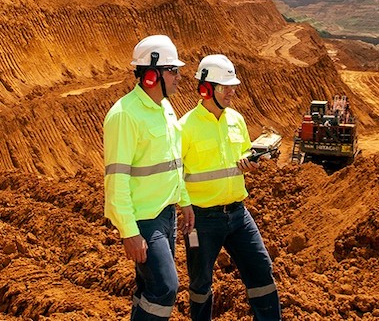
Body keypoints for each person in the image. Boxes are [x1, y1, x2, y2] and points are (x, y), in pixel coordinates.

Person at [180, 54, 281, 320]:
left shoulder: (237, 119)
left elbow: (244, 155)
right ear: (206, 89)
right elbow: (174, 174)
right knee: (200, 284)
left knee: (261, 269)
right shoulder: (184, 128)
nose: (232, 92)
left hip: (238, 214)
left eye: (233, 86)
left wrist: (253, 163)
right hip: (202, 219)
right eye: (225, 87)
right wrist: (184, 207)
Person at [103, 34, 194, 320]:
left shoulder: (164, 108)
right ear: (152, 75)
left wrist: (184, 201)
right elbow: (116, 180)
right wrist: (129, 230)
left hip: (167, 215)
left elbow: (173, 162)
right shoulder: (124, 115)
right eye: (173, 71)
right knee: (166, 287)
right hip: (144, 219)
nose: (179, 77)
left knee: (149, 287)